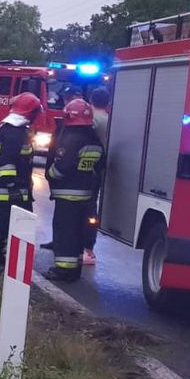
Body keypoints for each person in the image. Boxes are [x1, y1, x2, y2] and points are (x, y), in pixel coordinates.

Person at [0, 92, 41, 274]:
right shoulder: (14, 132)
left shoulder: (11, 128)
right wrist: (13, 187)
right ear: (29, 112)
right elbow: (7, 162)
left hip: (8, 187)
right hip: (8, 189)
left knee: (2, 224)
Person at [44, 99, 106, 282]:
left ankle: (63, 271)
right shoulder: (94, 140)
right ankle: (75, 269)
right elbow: (99, 165)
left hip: (67, 196)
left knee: (65, 233)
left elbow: (61, 167)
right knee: (78, 233)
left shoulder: (71, 140)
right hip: (86, 196)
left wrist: (50, 174)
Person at [82, 87, 111, 266]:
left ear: (91, 100)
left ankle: (83, 248)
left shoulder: (91, 121)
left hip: (87, 170)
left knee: (82, 208)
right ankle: (89, 249)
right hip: (101, 169)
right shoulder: (109, 120)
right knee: (91, 208)